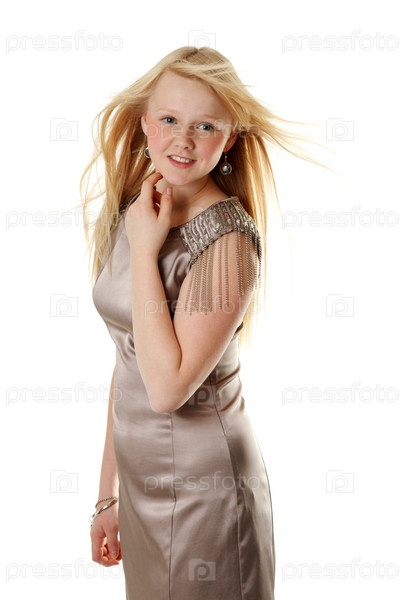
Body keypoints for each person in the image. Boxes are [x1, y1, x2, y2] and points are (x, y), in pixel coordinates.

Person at [81, 45, 304, 600]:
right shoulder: (139, 211)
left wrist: (144, 250)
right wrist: (108, 493)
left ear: (228, 139)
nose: (182, 140)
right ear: (144, 122)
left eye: (205, 126)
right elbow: (129, 361)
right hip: (140, 487)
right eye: (169, 119)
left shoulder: (227, 241)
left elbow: (166, 390)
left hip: (207, 492)